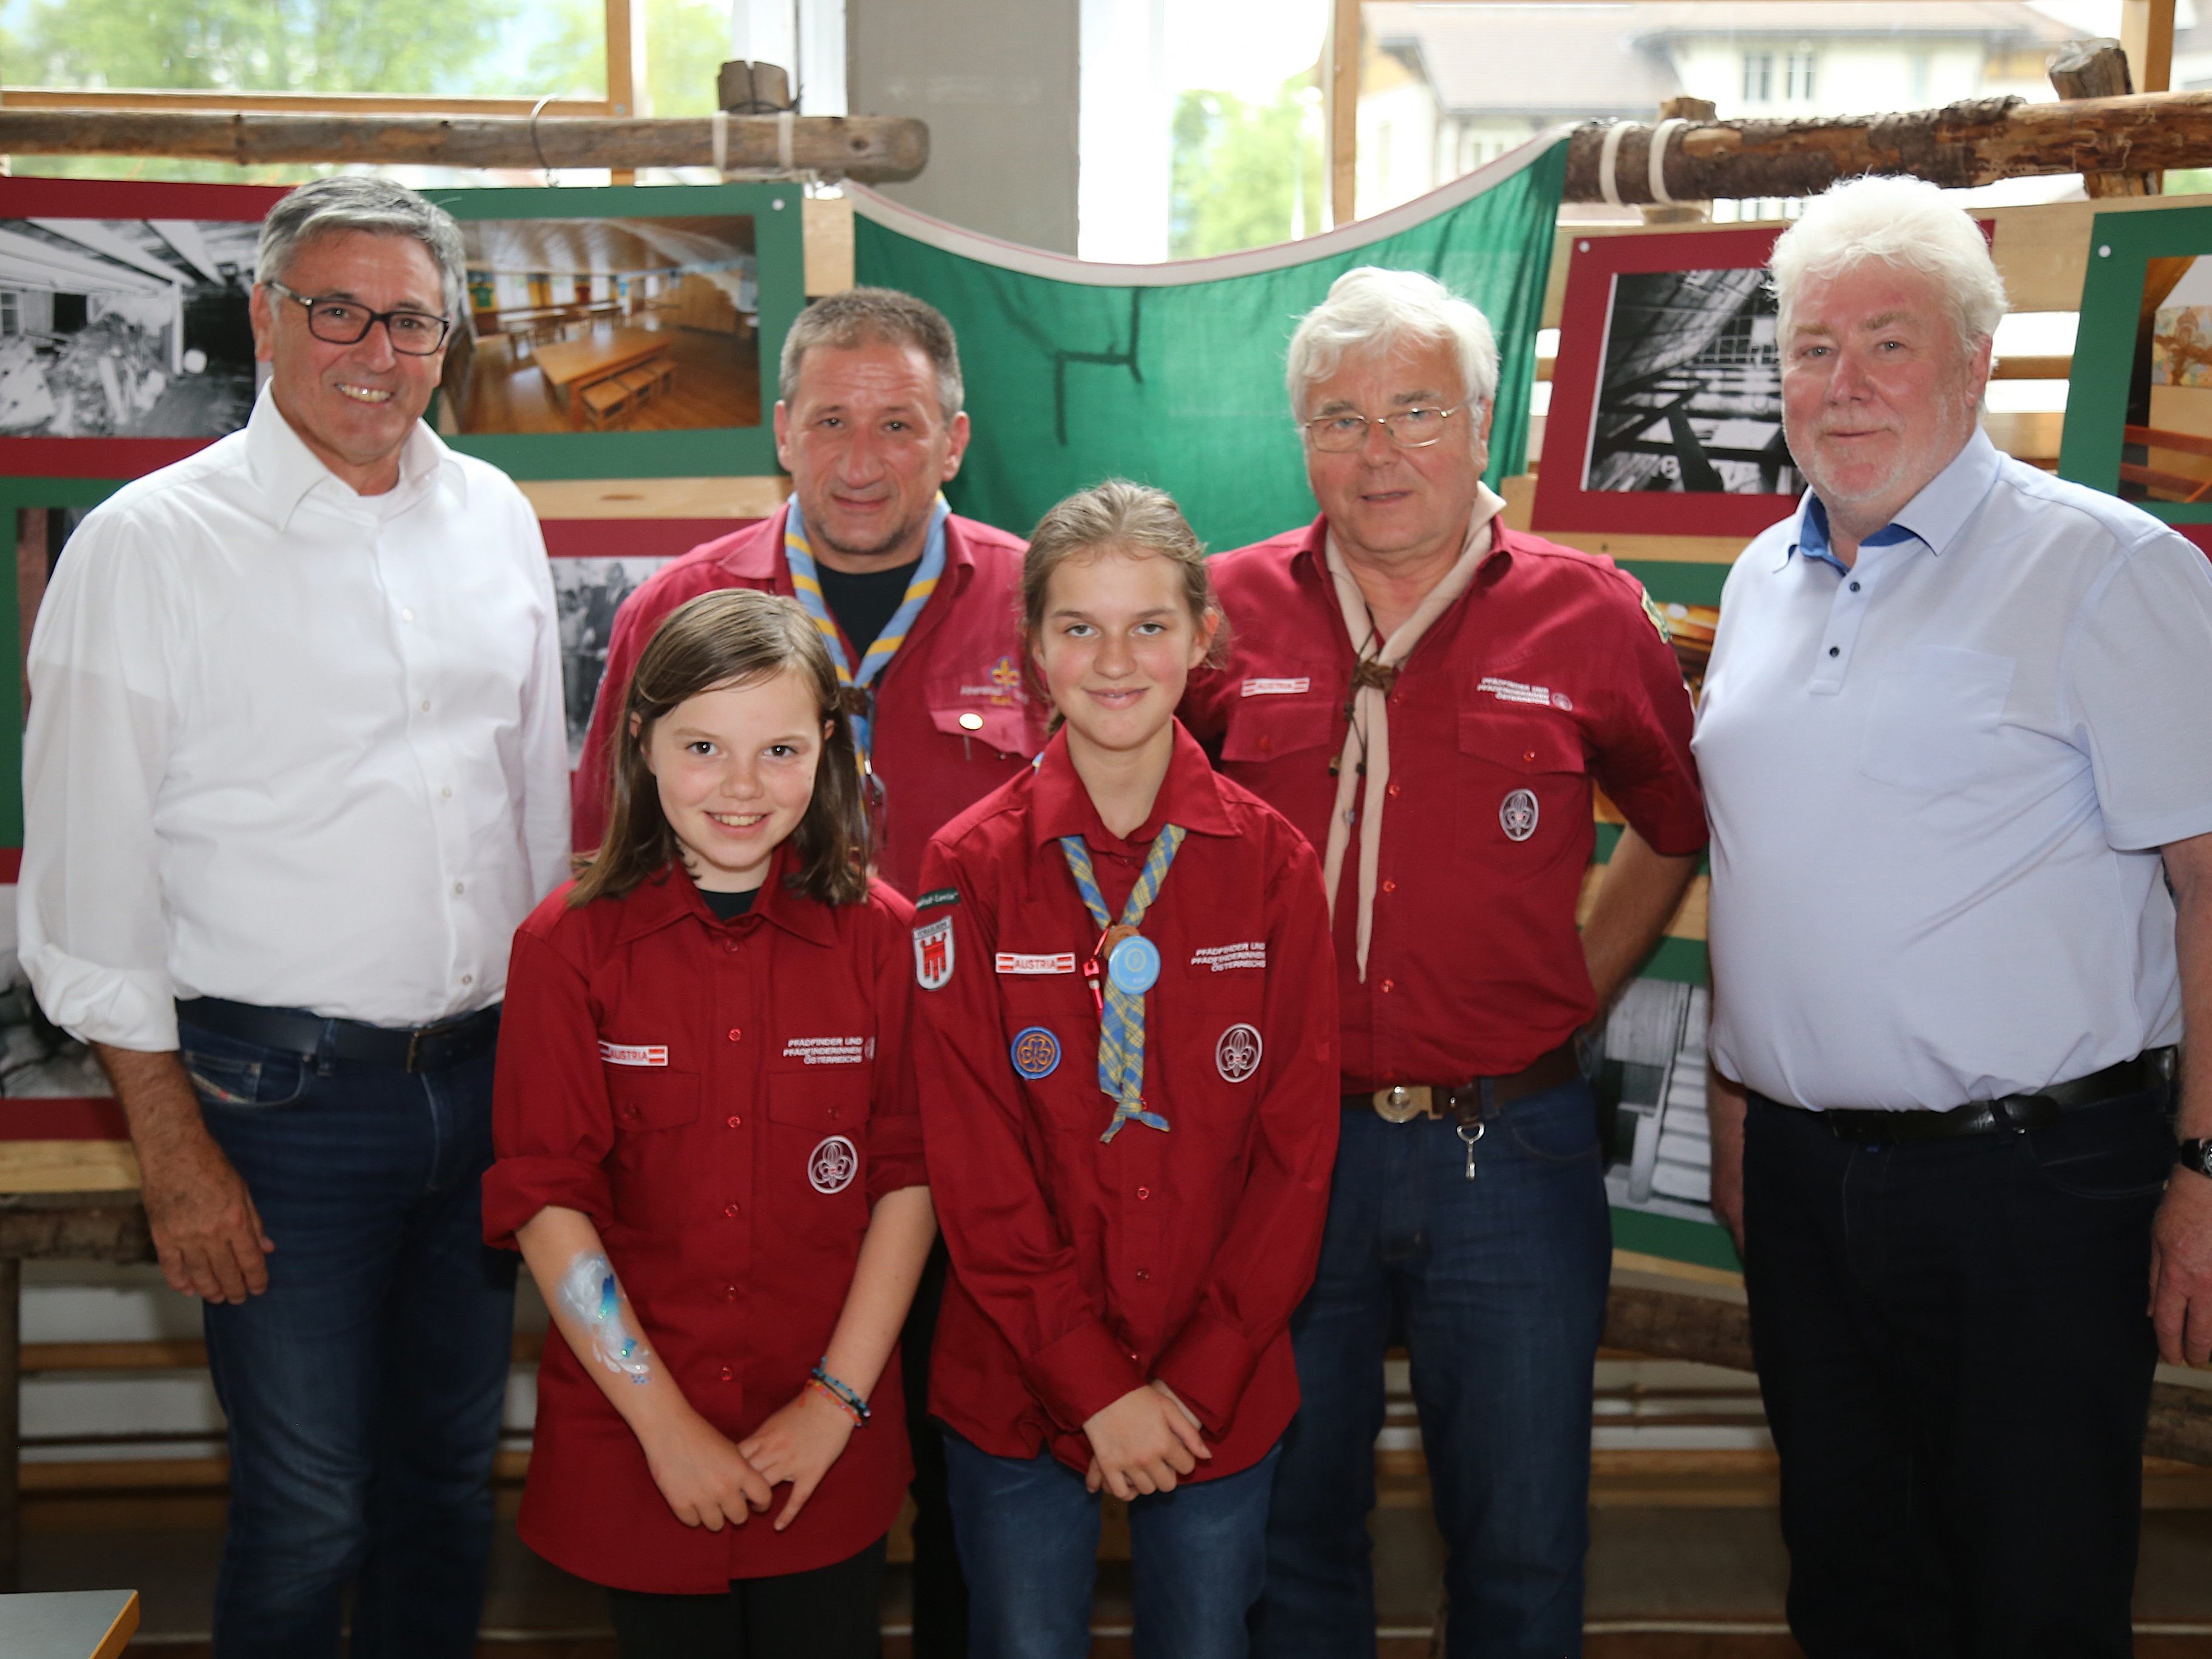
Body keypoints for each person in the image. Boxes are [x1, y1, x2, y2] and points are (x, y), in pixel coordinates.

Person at [16, 176, 569, 1657]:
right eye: (338, 310)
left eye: (411, 320)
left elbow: (538, 820)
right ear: (264, 316)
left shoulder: (498, 518)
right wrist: (172, 1152)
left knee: (452, 1486)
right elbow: (84, 885)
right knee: (310, 1501)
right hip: (273, 1103)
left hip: (482, 1086)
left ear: (449, 339)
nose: (373, 351)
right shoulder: (149, 545)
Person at [1694, 174, 2212, 1659]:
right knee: (1853, 1586)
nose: (1841, 386)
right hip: (1803, 1180)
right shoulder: (1760, 573)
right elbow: (1765, 853)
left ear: (1978, 361)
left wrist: (2207, 1172)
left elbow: (2211, 885)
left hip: (2035, 1189)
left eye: (1889, 343)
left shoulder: (2109, 568)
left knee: (2033, 1597)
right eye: (1809, 346)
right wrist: (1742, 1109)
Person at [1181, 267, 1709, 1658]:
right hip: (1283, 1146)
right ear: (1302, 439)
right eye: (1341, 418)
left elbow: (1671, 824)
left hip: (1509, 1152)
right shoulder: (1221, 615)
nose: (1379, 451)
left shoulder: (1587, 614)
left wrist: (1562, 1001)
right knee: (1290, 1529)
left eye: (1415, 410)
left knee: (1523, 1541)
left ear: (1485, 423)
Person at [570, 289, 1033, 1651]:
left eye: (899, 423)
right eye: (829, 420)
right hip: (758, 1144)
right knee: (765, 1481)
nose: (861, 457)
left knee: (980, 1488)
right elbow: (609, 856)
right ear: (781, 430)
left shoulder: (1041, 605)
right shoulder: (684, 604)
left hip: (994, 1135)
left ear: (955, 438)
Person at [910, 481, 1339, 1658]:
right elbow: (974, 1160)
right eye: (1079, 627)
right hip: (1016, 1376)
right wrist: (1095, 1384)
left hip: (1223, 1383)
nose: (1116, 660)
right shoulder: (969, 869)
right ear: (1034, 648)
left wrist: (1192, 1383)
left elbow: (1297, 1156)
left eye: (1150, 625)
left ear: (1204, 638)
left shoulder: (1272, 866)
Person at [484, 590, 935, 1657]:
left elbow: (908, 1183)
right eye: (702, 747)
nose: (741, 788)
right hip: (639, 1435)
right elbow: (548, 1203)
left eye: (779, 749)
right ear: (640, 746)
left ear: (826, 749)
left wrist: (833, 1404)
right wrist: (667, 1429)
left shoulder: (885, 941)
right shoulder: (566, 947)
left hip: (825, 1433)